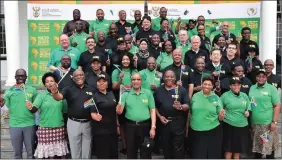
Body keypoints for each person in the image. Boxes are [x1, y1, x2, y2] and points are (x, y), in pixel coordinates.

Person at [50, 69, 93, 159]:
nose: (79, 77)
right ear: (73, 78)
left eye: (81, 74)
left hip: (88, 123)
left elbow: (95, 104)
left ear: (84, 76)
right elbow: (59, 97)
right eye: (76, 75)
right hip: (73, 123)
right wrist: (54, 92)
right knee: (75, 149)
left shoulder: (91, 89)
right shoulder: (68, 89)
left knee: (87, 150)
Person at [26, 72, 69, 159]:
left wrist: (65, 127)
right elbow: (34, 109)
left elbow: (65, 113)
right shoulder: (41, 95)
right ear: (45, 84)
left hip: (59, 128)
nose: (50, 83)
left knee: (59, 154)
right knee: (46, 155)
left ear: (56, 82)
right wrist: (30, 107)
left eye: (52, 81)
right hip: (45, 128)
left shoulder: (61, 96)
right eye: (47, 81)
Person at [116, 73, 156, 159]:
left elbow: (152, 110)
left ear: (141, 81)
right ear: (131, 81)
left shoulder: (148, 93)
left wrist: (153, 127)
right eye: (134, 79)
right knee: (131, 152)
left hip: (145, 126)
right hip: (130, 126)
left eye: (138, 79)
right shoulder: (125, 94)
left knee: (146, 151)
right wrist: (118, 109)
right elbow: (120, 110)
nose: (136, 81)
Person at [2, 69, 38, 159]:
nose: (20, 77)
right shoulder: (9, 91)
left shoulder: (32, 90)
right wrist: (2, 104)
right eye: (18, 76)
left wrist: (37, 122)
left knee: (31, 153)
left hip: (29, 124)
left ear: (26, 77)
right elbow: (5, 108)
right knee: (17, 153)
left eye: (22, 76)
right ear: (15, 77)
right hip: (15, 125)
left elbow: (37, 108)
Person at [155, 70, 189, 158]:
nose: (169, 78)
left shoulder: (181, 90)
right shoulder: (158, 90)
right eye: (167, 76)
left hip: (178, 123)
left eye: (171, 76)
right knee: (166, 148)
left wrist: (181, 106)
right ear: (163, 78)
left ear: (175, 78)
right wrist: (159, 116)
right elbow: (154, 107)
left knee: (178, 149)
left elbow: (188, 105)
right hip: (164, 124)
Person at [189, 76, 225, 159]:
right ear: (202, 84)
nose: (207, 86)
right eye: (205, 84)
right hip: (196, 130)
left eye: (209, 84)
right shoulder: (195, 96)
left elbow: (220, 118)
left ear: (212, 86)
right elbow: (190, 112)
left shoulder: (215, 98)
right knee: (198, 154)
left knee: (212, 155)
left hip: (212, 130)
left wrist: (221, 115)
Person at [249, 69, 281, 159]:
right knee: (257, 149)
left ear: (266, 77)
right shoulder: (252, 87)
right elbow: (252, 102)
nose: (261, 78)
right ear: (256, 77)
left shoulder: (271, 88)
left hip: (266, 125)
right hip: (255, 124)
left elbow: (277, 106)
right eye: (259, 76)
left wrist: (274, 122)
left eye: (263, 76)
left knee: (268, 149)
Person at [220, 77, 251, 159]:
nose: (236, 86)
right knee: (229, 149)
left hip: (242, 125)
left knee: (237, 149)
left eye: (238, 84)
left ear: (240, 85)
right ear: (230, 86)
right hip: (229, 125)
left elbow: (249, 107)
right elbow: (219, 108)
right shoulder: (225, 96)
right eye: (234, 85)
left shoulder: (244, 96)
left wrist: (248, 112)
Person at [91, 74, 118, 159]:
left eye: (104, 81)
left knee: (113, 154)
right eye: (99, 81)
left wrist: (118, 125)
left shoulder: (111, 94)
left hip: (112, 130)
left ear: (107, 83)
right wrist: (95, 116)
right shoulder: (94, 97)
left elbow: (115, 111)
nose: (102, 83)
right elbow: (92, 113)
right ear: (97, 84)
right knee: (103, 155)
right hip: (100, 132)